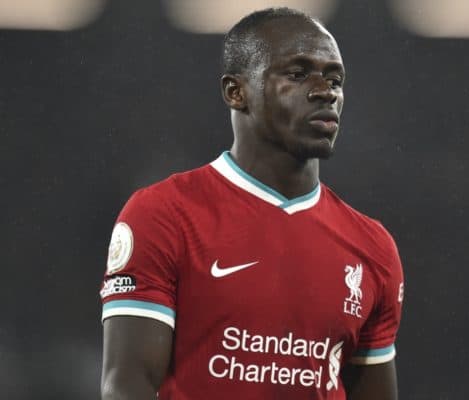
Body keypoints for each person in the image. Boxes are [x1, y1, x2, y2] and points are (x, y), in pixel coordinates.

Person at [100, 7, 404, 400]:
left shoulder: (374, 248)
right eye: (297, 74)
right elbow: (127, 387)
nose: (325, 91)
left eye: (335, 79)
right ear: (235, 92)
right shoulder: (163, 215)